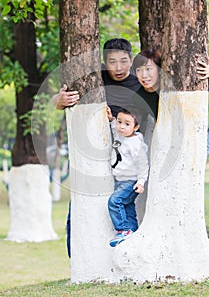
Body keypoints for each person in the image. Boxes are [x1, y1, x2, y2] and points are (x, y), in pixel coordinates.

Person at [53, 38, 141, 258]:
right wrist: (59, 99)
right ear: (104, 62)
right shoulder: (94, 80)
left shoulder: (139, 84)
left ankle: (130, 254)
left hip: (127, 161)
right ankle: (77, 262)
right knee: (79, 210)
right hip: (94, 157)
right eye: (112, 62)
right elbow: (55, 101)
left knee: (124, 206)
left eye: (123, 61)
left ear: (131, 60)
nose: (118, 68)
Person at [132, 48, 209, 152]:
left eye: (148, 69)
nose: (144, 75)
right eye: (139, 70)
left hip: (195, 135)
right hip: (170, 140)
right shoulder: (137, 96)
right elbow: (140, 125)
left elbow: (207, 89)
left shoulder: (171, 84)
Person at [107, 107, 149, 247]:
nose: (121, 127)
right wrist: (112, 119)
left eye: (127, 124)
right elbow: (114, 127)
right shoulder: (120, 134)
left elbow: (143, 164)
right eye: (120, 122)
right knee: (128, 206)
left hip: (131, 181)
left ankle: (123, 229)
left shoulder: (136, 144)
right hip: (120, 180)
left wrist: (141, 182)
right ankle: (133, 231)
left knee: (115, 201)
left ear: (136, 127)